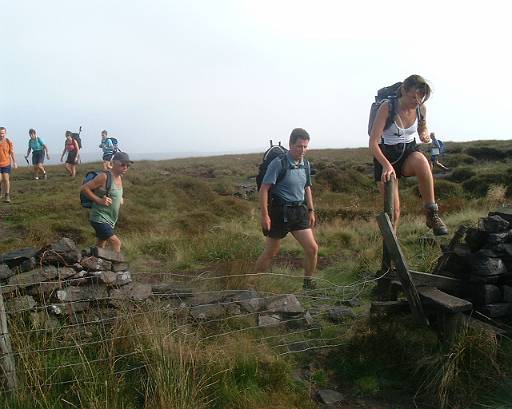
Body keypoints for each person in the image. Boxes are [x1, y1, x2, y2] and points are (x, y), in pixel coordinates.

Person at [369, 74, 448, 236]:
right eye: (413, 97)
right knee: (394, 211)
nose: (417, 101)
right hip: (385, 155)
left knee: (422, 162)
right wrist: (386, 165)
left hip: (407, 151)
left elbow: (422, 128)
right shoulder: (387, 107)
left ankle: (431, 213)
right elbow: (373, 142)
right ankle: (391, 247)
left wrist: (424, 135)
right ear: (403, 91)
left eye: (421, 98)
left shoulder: (420, 108)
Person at [253, 128, 318, 290]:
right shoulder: (278, 163)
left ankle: (307, 283)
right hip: (279, 213)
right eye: (299, 146)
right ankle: (250, 285)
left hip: (299, 212)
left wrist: (311, 210)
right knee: (271, 251)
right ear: (290, 144)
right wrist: (265, 215)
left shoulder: (306, 164)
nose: (302, 150)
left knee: (312, 249)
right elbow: (264, 189)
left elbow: (307, 188)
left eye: (305, 146)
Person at [80, 152, 132, 252]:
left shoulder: (119, 177)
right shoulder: (104, 177)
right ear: (113, 163)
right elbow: (84, 188)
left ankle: (96, 264)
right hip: (99, 218)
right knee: (116, 242)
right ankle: (118, 265)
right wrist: (99, 200)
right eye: (122, 164)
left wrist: (119, 198)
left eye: (128, 165)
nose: (125, 167)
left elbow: (113, 192)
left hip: (111, 219)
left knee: (100, 246)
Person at [0, 127, 17, 203]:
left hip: (6, 163)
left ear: (5, 133)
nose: (1, 135)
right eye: (0, 133)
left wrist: (14, 162)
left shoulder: (8, 141)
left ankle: (7, 195)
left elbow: (12, 152)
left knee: (6, 180)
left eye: (3, 133)